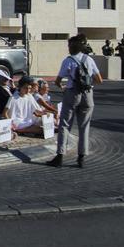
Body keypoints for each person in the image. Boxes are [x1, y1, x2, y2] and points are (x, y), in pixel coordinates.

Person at [48, 34, 102, 168]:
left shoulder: (68, 61)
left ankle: (60, 156)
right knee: (84, 126)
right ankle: (81, 158)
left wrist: (63, 87)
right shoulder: (89, 59)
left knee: (65, 125)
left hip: (72, 93)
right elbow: (99, 79)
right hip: (87, 94)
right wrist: (87, 83)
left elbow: (58, 80)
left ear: (71, 47)